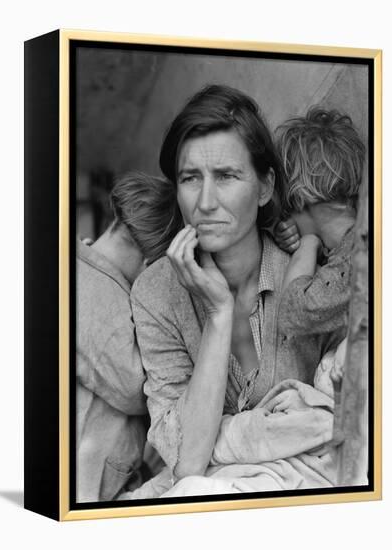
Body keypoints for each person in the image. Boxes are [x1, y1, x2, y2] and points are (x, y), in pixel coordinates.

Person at [130, 85, 345, 486]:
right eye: (190, 178)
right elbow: (188, 461)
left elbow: (337, 420)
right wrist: (217, 315)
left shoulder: (310, 278)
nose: (205, 202)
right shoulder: (155, 293)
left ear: (264, 187)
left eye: (226, 176)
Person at [76, 171, 181, 502]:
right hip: (81, 487)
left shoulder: (80, 266)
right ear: (153, 263)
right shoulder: (99, 298)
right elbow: (140, 388)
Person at [274, 107, 366, 336]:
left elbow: (292, 315)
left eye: (285, 211)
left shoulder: (357, 258)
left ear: (298, 197)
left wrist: (308, 242)